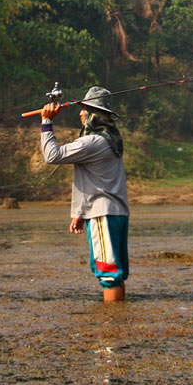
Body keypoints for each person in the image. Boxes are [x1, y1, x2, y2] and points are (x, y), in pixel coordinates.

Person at [40, 86, 129, 303]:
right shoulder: (111, 140)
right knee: (115, 271)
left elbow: (52, 155)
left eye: (86, 109)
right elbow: (93, 181)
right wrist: (79, 213)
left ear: (95, 115)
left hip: (103, 215)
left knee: (109, 274)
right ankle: (120, 322)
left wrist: (46, 122)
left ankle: (112, 327)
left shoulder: (93, 142)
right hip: (116, 213)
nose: (81, 113)